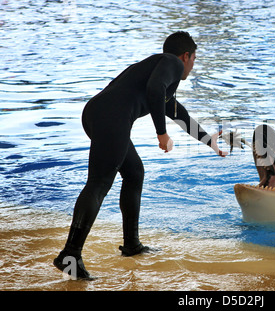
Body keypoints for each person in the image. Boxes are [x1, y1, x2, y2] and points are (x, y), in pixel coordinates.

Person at [54, 31, 228, 280]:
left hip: (99, 114)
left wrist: (207, 140)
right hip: (110, 117)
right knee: (99, 183)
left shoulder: (159, 69)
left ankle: (132, 244)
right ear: (186, 55)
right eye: (194, 59)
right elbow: (155, 90)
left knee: (134, 173)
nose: (192, 65)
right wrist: (161, 134)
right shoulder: (172, 63)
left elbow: (175, 110)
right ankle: (69, 255)